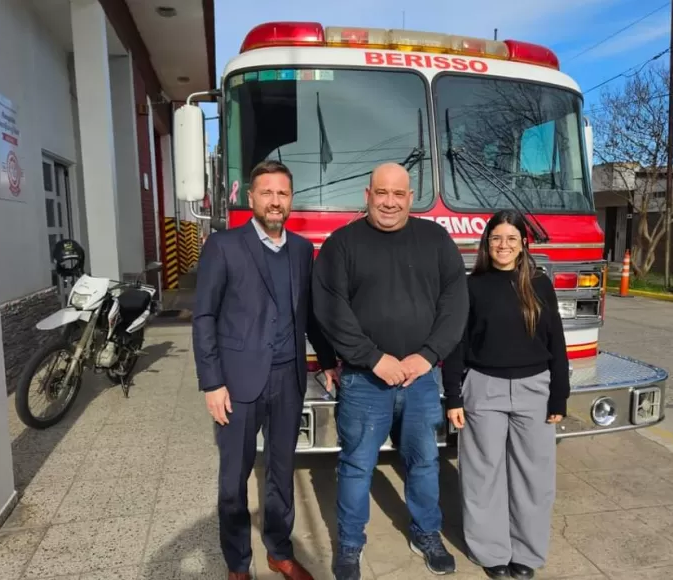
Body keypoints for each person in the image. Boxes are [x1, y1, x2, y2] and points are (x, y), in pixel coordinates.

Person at [311, 162, 469, 580]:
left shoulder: (436, 240)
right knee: (356, 466)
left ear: (410, 197)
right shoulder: (341, 245)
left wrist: (427, 354)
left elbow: (456, 303)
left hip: (420, 380)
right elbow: (330, 309)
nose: (390, 202)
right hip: (365, 380)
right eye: (382, 193)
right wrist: (373, 358)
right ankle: (349, 545)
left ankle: (426, 533)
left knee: (423, 464)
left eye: (398, 194)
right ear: (367, 194)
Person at [192, 160, 339, 580]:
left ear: (290, 200)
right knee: (233, 482)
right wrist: (212, 382)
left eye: (283, 193)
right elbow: (203, 317)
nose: (276, 201)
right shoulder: (224, 246)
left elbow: (307, 314)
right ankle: (238, 563)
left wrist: (326, 361)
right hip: (237, 383)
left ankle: (279, 550)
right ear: (251, 197)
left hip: (287, 380)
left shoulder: (300, 249)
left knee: (281, 474)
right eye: (267, 192)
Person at [441, 209, 569, 580]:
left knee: (535, 476)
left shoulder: (540, 284)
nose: (503, 245)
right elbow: (456, 345)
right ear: (486, 243)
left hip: (535, 390)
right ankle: (492, 551)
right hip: (483, 387)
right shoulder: (472, 286)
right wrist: (453, 397)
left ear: (523, 244)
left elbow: (555, 342)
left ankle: (527, 553)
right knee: (483, 475)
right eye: (496, 238)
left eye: (512, 239)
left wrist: (558, 395)